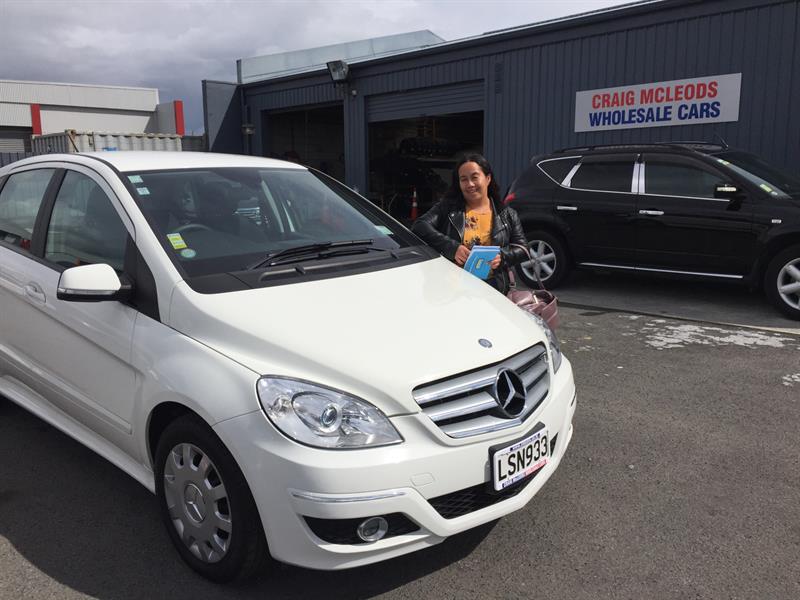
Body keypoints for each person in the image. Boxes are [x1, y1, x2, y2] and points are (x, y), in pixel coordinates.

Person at [412, 153, 528, 294]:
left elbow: (523, 249)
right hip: (452, 290)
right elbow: (420, 225)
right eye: (464, 179)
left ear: (488, 178)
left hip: (494, 289)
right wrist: (453, 248)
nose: (470, 184)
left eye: (474, 177)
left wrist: (502, 257)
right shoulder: (447, 208)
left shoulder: (507, 214)